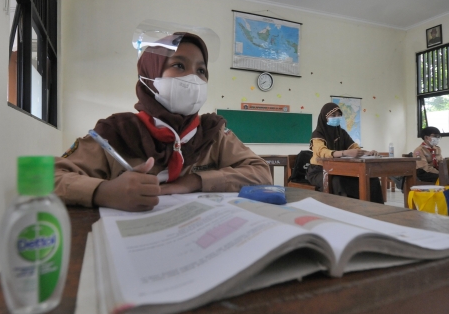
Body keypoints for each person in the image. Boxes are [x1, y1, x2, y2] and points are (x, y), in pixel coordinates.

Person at [54, 32, 272, 212]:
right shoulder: (116, 132)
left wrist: (195, 181)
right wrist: (103, 191)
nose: (193, 78)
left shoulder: (212, 134)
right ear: (149, 75)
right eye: (179, 65)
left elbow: (261, 173)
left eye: (201, 70)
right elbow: (48, 178)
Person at [305, 102, 384, 204]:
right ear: (324, 116)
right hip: (319, 171)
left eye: (339, 115)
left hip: (338, 170)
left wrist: (367, 153)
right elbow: (322, 152)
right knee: (337, 181)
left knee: (372, 180)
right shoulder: (317, 133)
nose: (337, 117)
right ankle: (343, 210)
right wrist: (344, 153)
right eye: (333, 115)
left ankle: (376, 210)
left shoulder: (341, 132)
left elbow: (354, 147)